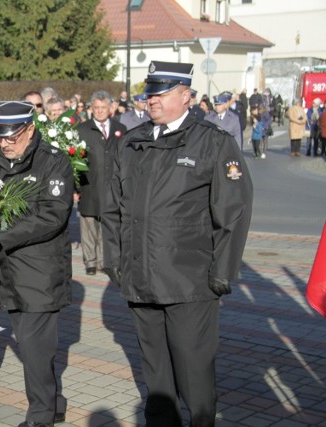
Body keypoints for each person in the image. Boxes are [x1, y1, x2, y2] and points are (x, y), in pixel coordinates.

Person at [101, 60, 253, 426]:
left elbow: (234, 210)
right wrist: (114, 259)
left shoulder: (213, 143)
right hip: (140, 279)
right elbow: (112, 208)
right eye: (149, 92)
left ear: (186, 97)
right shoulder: (132, 144)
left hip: (189, 282)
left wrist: (222, 271)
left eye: (161, 92)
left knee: (193, 370)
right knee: (156, 376)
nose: (151, 99)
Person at [0, 101, 73, 427]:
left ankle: (40, 416)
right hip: (8, 273)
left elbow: (53, 214)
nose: (4, 142)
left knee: (35, 348)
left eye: (12, 136)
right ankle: (55, 402)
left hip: (41, 273)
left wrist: (1, 236)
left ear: (30, 129)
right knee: (31, 347)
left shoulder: (53, 162)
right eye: (0, 135)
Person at [77, 91, 126, 276]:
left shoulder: (120, 129)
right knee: (89, 223)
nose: (99, 111)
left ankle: (105, 260)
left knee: (108, 223)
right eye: (96, 108)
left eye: (103, 108)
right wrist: (76, 186)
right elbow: (75, 159)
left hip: (113, 185)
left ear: (110, 108)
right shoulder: (82, 129)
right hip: (89, 183)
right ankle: (90, 261)